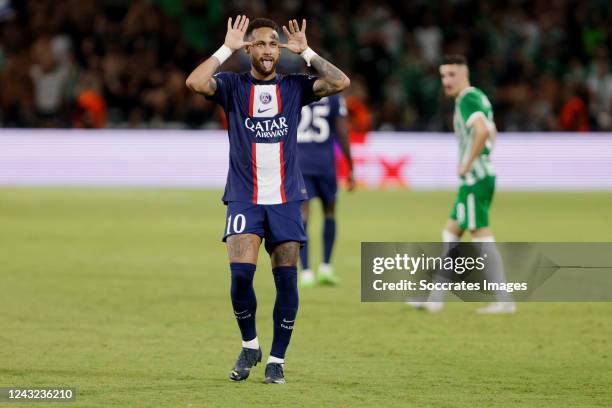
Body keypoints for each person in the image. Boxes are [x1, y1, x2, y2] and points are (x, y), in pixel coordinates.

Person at [185, 15, 350, 384]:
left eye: (273, 44)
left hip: (287, 198)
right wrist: (225, 48)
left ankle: (277, 360)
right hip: (244, 197)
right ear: (249, 50)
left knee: (287, 282)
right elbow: (195, 81)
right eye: (260, 43)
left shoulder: (294, 87)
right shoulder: (230, 85)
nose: (268, 50)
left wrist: (305, 50)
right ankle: (250, 346)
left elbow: (340, 82)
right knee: (241, 277)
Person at [409, 55, 516, 314]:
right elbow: (492, 131)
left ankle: (504, 301)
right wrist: (486, 155)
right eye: (443, 76)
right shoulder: (478, 96)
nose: (446, 81)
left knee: (481, 237)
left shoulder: (467, 99)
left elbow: (480, 131)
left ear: (464, 74)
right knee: (450, 234)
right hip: (480, 178)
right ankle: (434, 299)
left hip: (475, 180)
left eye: (452, 75)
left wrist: (468, 163)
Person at [297, 93, 354, 287]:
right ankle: (326, 267)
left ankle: (305, 272)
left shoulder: (297, 90)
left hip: (300, 164)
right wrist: (350, 166)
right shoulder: (334, 97)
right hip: (325, 165)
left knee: (303, 215)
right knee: (329, 212)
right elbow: (342, 131)